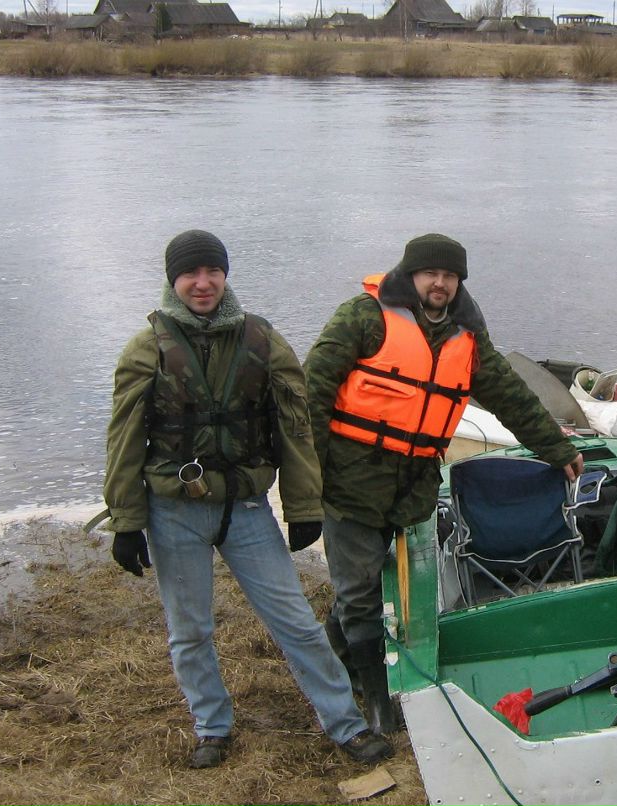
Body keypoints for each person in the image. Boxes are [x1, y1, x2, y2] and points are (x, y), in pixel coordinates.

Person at [104, 229, 393, 769]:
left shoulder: (261, 339)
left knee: (297, 622)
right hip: (174, 512)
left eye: (212, 271)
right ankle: (212, 726)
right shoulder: (147, 347)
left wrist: (304, 507)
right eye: (191, 273)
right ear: (174, 280)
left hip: (247, 510)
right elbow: (124, 437)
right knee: (189, 631)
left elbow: (295, 426)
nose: (202, 282)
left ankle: (346, 724)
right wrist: (126, 521)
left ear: (225, 275)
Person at [304, 233, 584, 733]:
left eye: (450, 276)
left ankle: (334, 666)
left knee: (358, 590)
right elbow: (312, 391)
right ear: (409, 274)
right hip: (351, 481)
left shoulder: (467, 337)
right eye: (431, 273)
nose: (440, 283)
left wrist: (558, 449)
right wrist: (308, 475)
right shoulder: (363, 318)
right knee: (361, 590)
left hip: (411, 486)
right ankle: (376, 702)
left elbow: (511, 397)